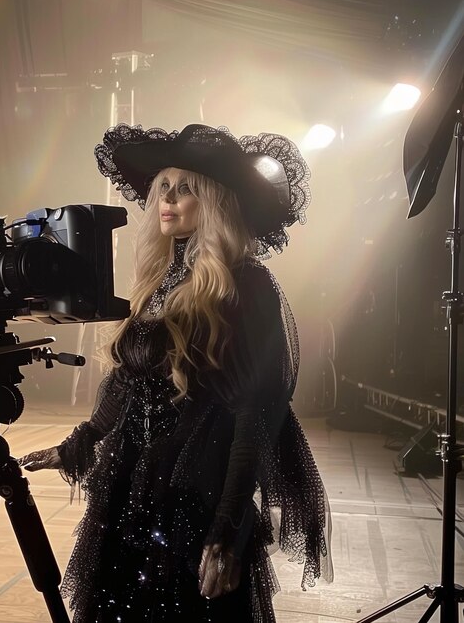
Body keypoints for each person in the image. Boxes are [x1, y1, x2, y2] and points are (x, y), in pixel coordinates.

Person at [19, 123, 333, 623]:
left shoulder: (247, 285)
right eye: (163, 186)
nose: (168, 199)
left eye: (186, 189)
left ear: (215, 203)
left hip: (194, 495)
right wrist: (79, 440)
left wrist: (228, 528)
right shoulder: (163, 279)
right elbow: (129, 382)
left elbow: (256, 414)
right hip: (131, 488)